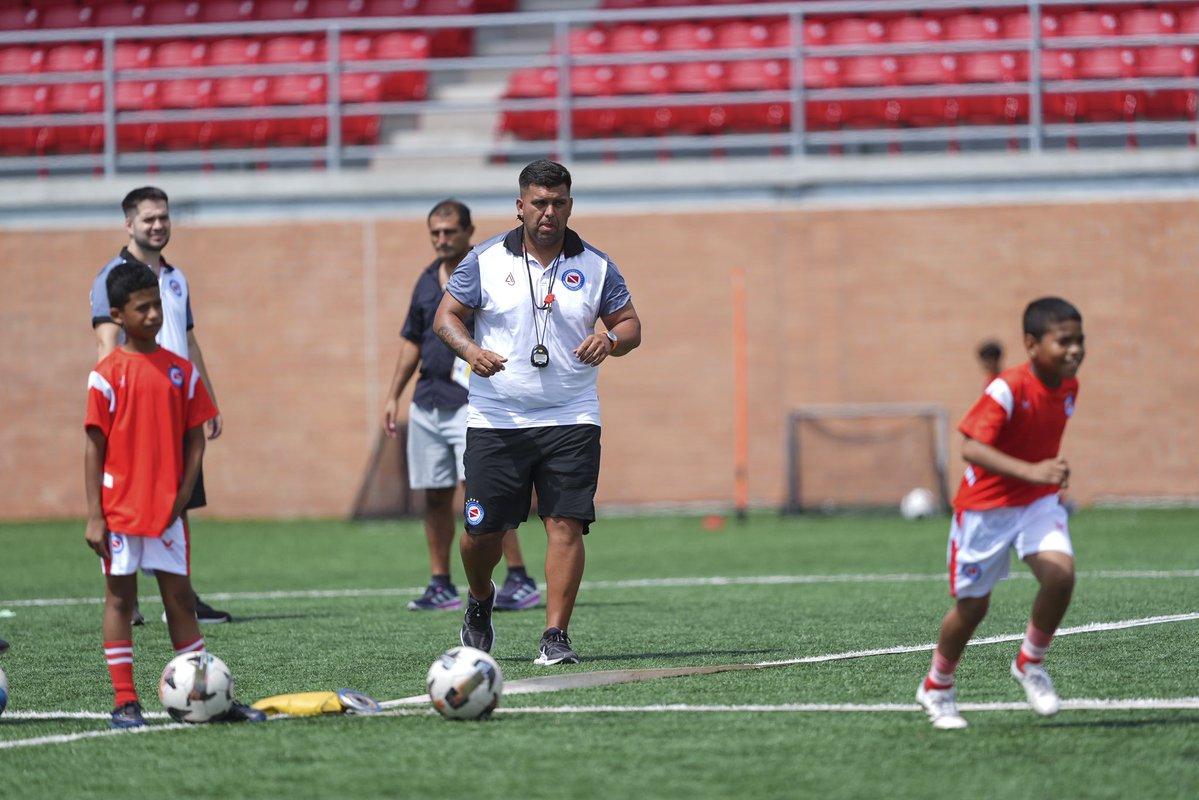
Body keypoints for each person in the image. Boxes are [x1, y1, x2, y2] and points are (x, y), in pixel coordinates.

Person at [434, 159, 642, 666]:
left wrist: (609, 338)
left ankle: (555, 636)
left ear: (570, 204)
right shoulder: (483, 261)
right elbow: (447, 317)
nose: (550, 212)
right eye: (540, 203)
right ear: (520, 205)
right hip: (497, 417)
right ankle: (481, 597)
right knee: (481, 532)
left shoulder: (596, 265)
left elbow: (631, 325)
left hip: (571, 415)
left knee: (565, 524)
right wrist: (470, 352)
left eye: (559, 203)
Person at [84, 263, 264, 728]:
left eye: (156, 305)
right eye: (141, 308)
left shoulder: (181, 372)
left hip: (168, 513)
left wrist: (181, 498)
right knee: (120, 600)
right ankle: (125, 700)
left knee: (179, 600)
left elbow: (196, 439)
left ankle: (206, 698)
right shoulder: (106, 375)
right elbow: (93, 447)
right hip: (120, 510)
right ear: (118, 315)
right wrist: (94, 516)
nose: (152, 315)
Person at [917, 297, 1085, 730]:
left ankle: (1030, 663)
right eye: (1063, 341)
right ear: (1031, 344)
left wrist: (1042, 475)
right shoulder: (1007, 388)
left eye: (1079, 340)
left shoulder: (1070, 386)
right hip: (985, 510)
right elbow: (970, 447)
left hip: (1037, 502)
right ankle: (937, 685)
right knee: (972, 609)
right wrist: (1033, 469)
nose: (1075, 350)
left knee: (1061, 575)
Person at [382, 199, 541, 612]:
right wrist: (393, 395)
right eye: (435, 232)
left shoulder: (489, 272)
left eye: (450, 231)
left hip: (475, 402)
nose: (442, 239)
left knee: (484, 494)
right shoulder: (424, 280)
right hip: (428, 401)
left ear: (469, 232)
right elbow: (412, 341)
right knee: (435, 496)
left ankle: (519, 578)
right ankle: (440, 584)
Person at [90, 186, 231, 626]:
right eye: (149, 219)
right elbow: (105, 344)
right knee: (127, 496)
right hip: (135, 409)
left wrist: (207, 400)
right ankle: (126, 601)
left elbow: (188, 340)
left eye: (163, 217)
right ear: (129, 224)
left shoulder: (177, 277)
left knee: (180, 497)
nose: (158, 225)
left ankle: (181, 596)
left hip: (177, 404)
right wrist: (115, 407)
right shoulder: (112, 276)